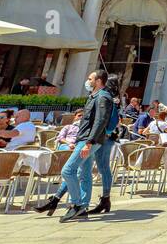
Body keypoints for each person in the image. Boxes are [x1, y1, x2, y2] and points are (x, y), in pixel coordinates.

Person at [57, 70, 119, 221]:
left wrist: (89, 142)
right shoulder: (95, 96)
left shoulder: (103, 97)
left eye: (90, 78)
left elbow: (101, 121)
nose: (87, 81)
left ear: (98, 81)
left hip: (89, 140)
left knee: (68, 170)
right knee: (84, 173)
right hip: (86, 139)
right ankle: (83, 206)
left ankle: (77, 204)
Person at [32, 110, 84, 216]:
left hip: (77, 150)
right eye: (79, 115)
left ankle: (55, 200)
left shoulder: (84, 129)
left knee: (72, 174)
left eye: (83, 116)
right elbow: (60, 138)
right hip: (65, 148)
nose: (81, 117)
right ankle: (57, 201)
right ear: (74, 117)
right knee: (72, 173)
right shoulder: (68, 127)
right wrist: (69, 143)